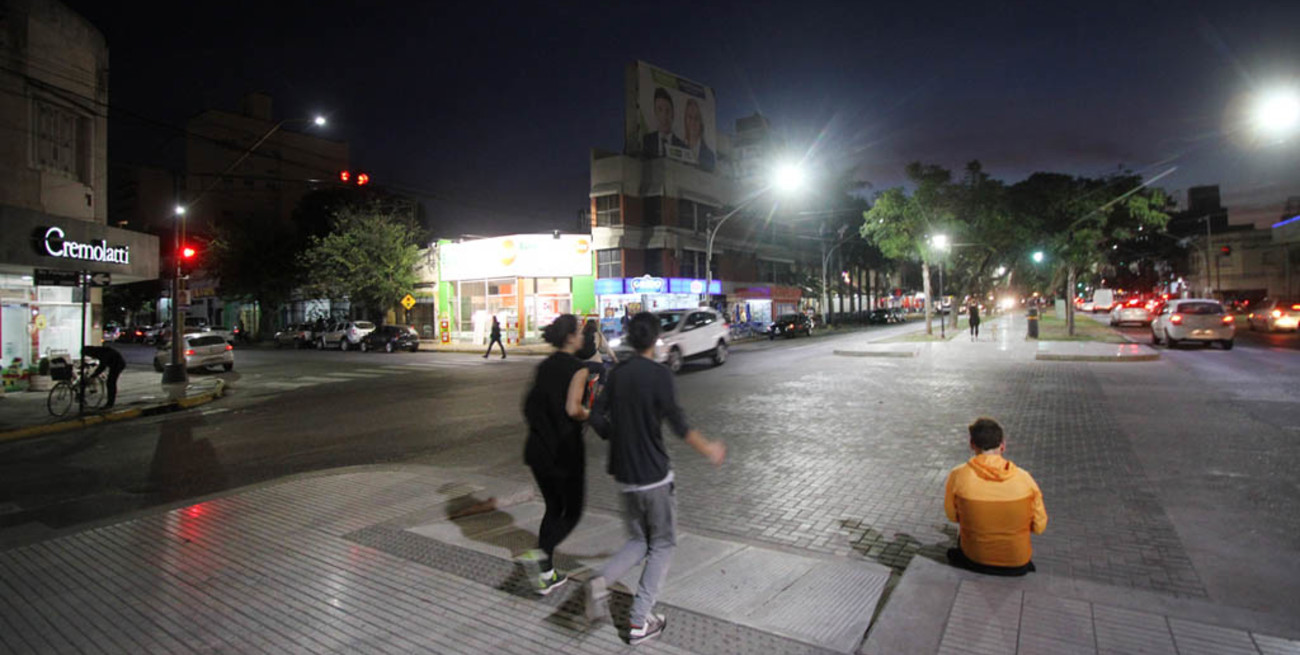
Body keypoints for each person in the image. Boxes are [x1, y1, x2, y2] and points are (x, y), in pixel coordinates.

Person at [585, 312, 726, 644]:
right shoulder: (660, 375)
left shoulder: (616, 374)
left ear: (631, 339)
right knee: (662, 545)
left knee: (638, 541)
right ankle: (638, 621)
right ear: (655, 339)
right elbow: (679, 425)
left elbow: (595, 415)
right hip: (654, 477)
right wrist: (710, 450)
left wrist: (612, 434)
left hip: (624, 476)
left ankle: (600, 581)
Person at [520, 314, 590, 595]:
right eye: (581, 332)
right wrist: (591, 414)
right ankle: (539, 557)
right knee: (572, 511)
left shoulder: (544, 366)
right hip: (564, 453)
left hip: (537, 451)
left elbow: (529, 407)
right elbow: (574, 409)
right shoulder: (578, 368)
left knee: (553, 507)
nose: (583, 337)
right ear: (571, 337)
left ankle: (545, 574)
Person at [944, 417, 1047, 576]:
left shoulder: (958, 475)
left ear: (972, 444)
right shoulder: (1025, 479)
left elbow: (952, 516)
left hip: (975, 559)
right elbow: (1039, 527)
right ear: (1003, 445)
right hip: (1017, 563)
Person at [641, 87, 686, 157]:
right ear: (655, 113)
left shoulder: (683, 147)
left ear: (673, 114)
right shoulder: (646, 141)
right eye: (660, 110)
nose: (664, 116)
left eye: (667, 110)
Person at [81, 344, 126, 409]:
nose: (90, 356)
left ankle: (110, 403)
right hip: (113, 363)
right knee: (110, 382)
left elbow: (102, 366)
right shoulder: (98, 351)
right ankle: (110, 402)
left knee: (111, 383)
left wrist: (94, 375)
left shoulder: (101, 353)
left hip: (118, 364)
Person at [682, 98, 715, 171]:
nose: (693, 122)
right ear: (685, 120)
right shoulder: (679, 147)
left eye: (696, 118)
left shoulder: (709, 155)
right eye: (690, 117)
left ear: (701, 123)